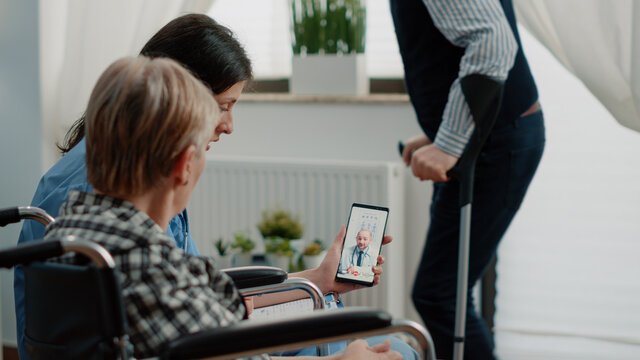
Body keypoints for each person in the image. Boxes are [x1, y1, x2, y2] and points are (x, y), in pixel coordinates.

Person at [17, 13, 416, 360]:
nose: (227, 126)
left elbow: (198, 306)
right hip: (199, 344)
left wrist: (315, 281)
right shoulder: (132, 232)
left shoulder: (100, 203)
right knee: (402, 345)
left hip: (194, 336)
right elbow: (202, 335)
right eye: (222, 106)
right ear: (182, 160)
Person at [390, 0, 545, 359]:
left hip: (497, 140)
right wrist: (442, 133)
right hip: (489, 137)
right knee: (452, 294)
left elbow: (492, 42)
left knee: (440, 296)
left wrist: (448, 142)